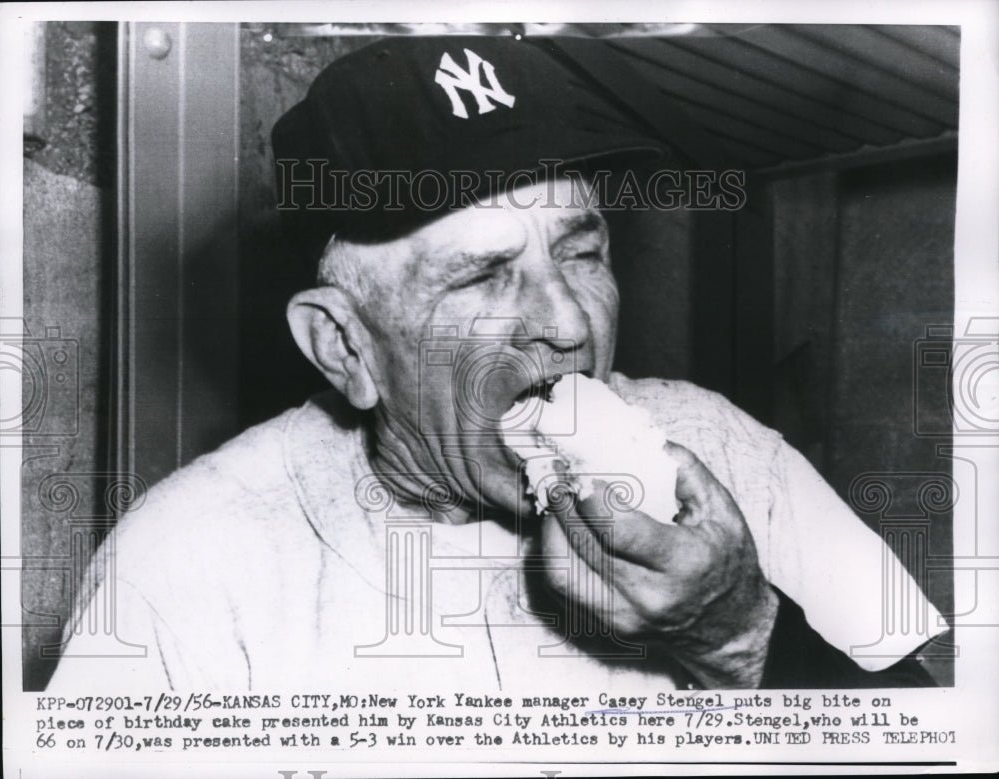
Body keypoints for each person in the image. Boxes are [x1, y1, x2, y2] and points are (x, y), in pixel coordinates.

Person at [49, 36, 945, 691]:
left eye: (582, 250)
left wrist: (740, 634)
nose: (566, 322)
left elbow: (940, 734)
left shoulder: (727, 454)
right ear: (346, 345)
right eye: (482, 275)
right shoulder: (185, 565)